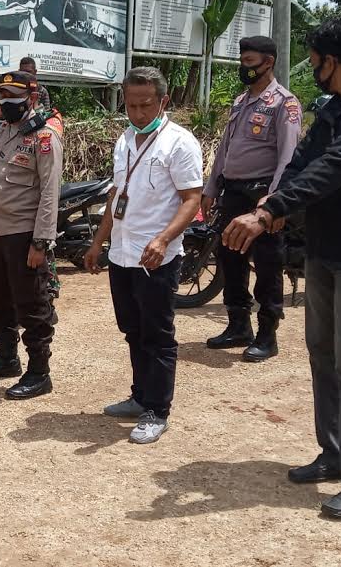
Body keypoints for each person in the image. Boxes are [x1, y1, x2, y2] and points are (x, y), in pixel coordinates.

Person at [222, 19, 341, 519]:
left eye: (313, 57)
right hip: (324, 248)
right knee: (321, 352)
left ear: (330, 60)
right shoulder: (333, 108)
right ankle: (334, 453)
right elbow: (301, 161)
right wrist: (274, 197)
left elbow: (335, 165)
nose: (310, 65)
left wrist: (270, 211)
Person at [84, 66, 202, 444]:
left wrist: (164, 239)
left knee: (158, 334)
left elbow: (192, 200)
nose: (137, 113)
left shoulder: (180, 143)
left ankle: (157, 409)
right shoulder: (125, 140)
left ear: (163, 101)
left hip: (156, 258)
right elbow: (115, 198)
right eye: (131, 105)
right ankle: (139, 396)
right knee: (132, 329)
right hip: (122, 253)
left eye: (145, 105)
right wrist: (98, 241)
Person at [202, 36, 302, 362]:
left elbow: (287, 158)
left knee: (268, 263)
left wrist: (273, 202)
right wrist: (210, 188)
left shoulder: (284, 104)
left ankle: (266, 335)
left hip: (262, 194)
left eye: (250, 62)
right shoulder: (240, 101)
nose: (244, 67)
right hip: (232, 190)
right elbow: (225, 151)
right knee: (229, 258)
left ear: (268, 62)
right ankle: (237, 326)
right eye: (242, 60)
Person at [0, 71, 63, 400]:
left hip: (23, 235)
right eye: (2, 95)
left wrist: (40, 242)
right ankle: (7, 357)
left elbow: (50, 194)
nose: (6, 102)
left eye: (14, 96)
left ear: (32, 99)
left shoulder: (44, 137)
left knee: (32, 304)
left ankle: (39, 372)